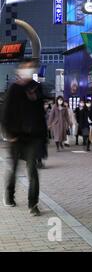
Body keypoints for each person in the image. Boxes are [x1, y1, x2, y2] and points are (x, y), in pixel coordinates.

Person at [1, 59, 48, 216]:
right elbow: (5, 113)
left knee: (32, 170)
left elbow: (41, 115)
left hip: (33, 137)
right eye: (26, 67)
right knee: (14, 168)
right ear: (20, 69)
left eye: (32, 67)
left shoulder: (37, 88)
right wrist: (9, 134)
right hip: (16, 136)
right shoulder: (14, 88)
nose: (29, 70)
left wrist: (43, 139)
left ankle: (33, 204)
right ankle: (9, 195)